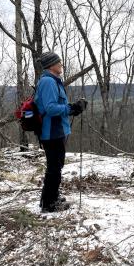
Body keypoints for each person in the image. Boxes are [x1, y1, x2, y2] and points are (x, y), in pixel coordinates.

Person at [34, 51, 87, 213]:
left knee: (56, 166)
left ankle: (51, 196)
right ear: (51, 65)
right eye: (59, 62)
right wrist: (71, 108)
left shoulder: (53, 81)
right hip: (51, 132)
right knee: (54, 167)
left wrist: (74, 107)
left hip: (56, 131)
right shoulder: (48, 82)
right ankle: (49, 204)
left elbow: (55, 105)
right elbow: (50, 108)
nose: (61, 64)